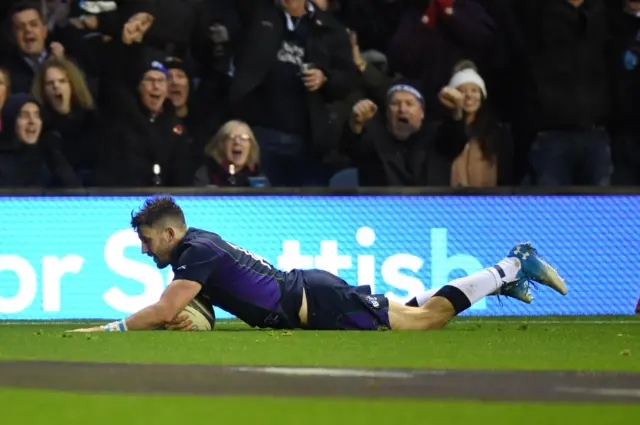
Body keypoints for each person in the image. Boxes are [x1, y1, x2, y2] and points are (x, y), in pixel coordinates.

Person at [70, 196, 568, 333]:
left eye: (146, 240)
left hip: (313, 302)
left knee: (425, 321)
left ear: (169, 234)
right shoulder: (198, 245)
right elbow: (194, 306)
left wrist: (109, 330)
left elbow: (162, 311)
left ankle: (509, 266)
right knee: (408, 306)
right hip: (310, 293)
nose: (143, 249)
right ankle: (496, 282)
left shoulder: (194, 253)